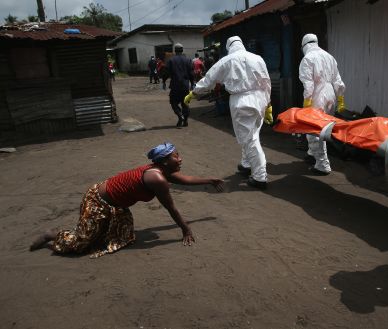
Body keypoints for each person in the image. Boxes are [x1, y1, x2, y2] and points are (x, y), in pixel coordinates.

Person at [29, 142, 224, 258]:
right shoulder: (157, 178)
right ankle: (51, 235)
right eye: (175, 156)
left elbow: (186, 180)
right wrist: (186, 229)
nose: (180, 159)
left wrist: (210, 180)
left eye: (178, 155)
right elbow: (171, 208)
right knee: (80, 244)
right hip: (97, 201)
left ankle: (98, 230)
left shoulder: (161, 170)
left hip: (117, 205)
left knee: (121, 237)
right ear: (164, 161)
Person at [184, 36, 273, 190]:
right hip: (260, 100)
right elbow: (267, 82)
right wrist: (269, 105)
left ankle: (260, 176)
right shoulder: (258, 59)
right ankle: (246, 164)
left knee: (249, 139)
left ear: (228, 47)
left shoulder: (227, 60)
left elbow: (209, 79)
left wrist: (194, 92)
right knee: (252, 135)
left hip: (242, 101)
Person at [299, 33, 346, 175]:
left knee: (315, 131)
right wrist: (341, 99)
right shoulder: (329, 57)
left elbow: (308, 84)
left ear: (305, 45)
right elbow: (338, 81)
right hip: (330, 94)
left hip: (317, 95)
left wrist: (307, 103)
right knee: (323, 128)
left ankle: (322, 165)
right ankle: (312, 154)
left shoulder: (308, 58)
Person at [166, 43, 194, 127]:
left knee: (173, 102)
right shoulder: (188, 60)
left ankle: (180, 115)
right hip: (185, 86)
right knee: (185, 104)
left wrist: (163, 81)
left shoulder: (171, 60)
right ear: (182, 50)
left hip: (175, 86)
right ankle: (185, 120)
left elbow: (167, 72)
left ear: (175, 51)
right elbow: (191, 73)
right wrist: (192, 84)